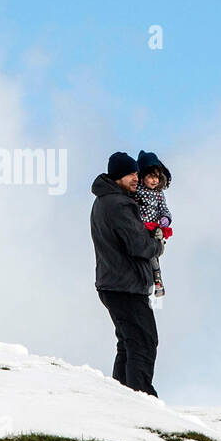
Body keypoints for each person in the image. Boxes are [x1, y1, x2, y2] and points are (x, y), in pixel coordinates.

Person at [90, 151, 163, 395]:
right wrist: (157, 244)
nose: (135, 178)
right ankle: (141, 397)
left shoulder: (104, 200)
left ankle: (122, 398)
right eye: (130, 174)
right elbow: (138, 245)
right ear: (117, 176)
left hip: (114, 284)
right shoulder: (119, 204)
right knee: (144, 342)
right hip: (125, 286)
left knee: (129, 343)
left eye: (136, 173)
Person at [135, 151, 173, 297]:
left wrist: (165, 218)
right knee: (141, 254)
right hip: (139, 226)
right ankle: (146, 281)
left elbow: (164, 208)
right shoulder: (137, 190)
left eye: (157, 177)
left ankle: (157, 281)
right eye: (151, 176)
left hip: (153, 228)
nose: (154, 180)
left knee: (152, 256)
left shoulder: (158, 194)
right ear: (142, 176)